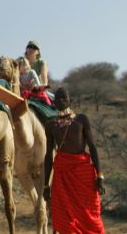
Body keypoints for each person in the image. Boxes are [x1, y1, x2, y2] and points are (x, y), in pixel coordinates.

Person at [44, 88, 105, 234]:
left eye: (64, 98)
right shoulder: (51, 124)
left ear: (70, 100)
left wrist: (100, 176)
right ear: (53, 102)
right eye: (57, 99)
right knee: (65, 222)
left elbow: (93, 147)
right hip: (62, 176)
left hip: (83, 174)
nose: (61, 101)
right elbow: (48, 155)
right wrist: (46, 185)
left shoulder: (81, 119)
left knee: (91, 217)